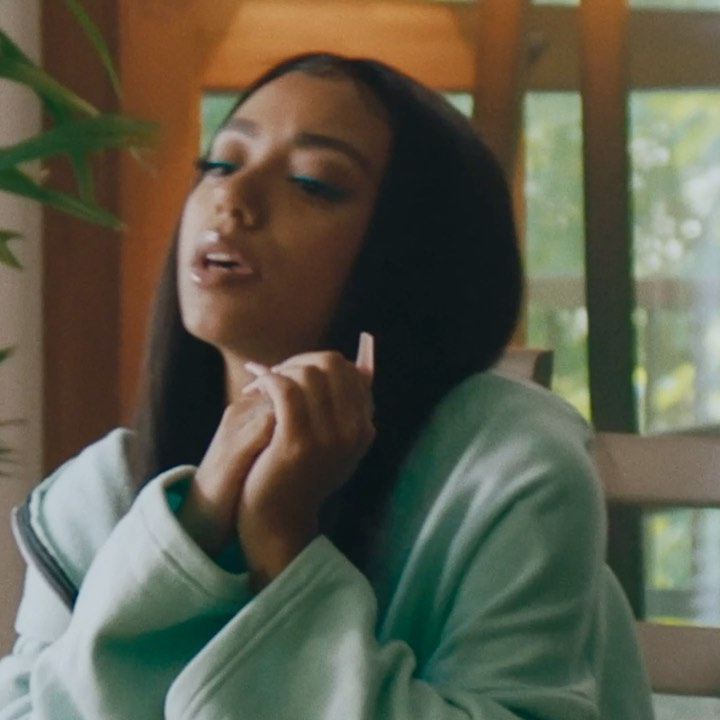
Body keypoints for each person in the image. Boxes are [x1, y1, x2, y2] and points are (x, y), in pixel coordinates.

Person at [0, 52, 654, 719]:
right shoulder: (99, 495)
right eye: (220, 163)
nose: (233, 197)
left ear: (417, 254)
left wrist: (281, 546)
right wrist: (195, 521)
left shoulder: (507, 466)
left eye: (313, 182)